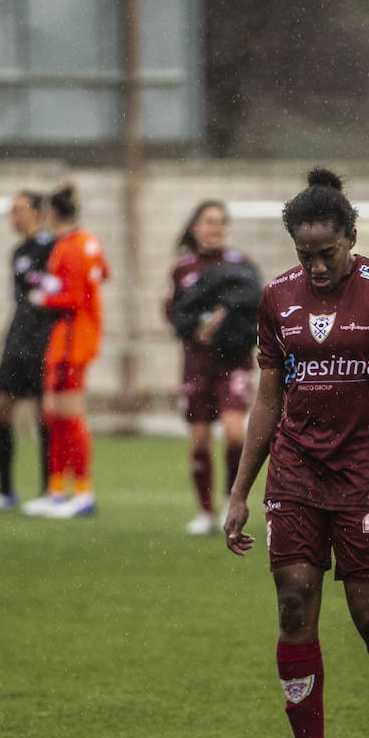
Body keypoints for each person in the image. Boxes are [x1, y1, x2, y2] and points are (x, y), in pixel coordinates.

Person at [224, 168, 369, 738]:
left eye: (327, 253)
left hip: (367, 479)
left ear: (351, 237)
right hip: (295, 473)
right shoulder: (276, 299)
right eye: (304, 255)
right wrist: (240, 490)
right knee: (293, 604)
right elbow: (268, 399)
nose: (315, 267)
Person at [164, 201, 263, 535]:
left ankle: (229, 501)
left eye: (220, 222)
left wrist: (228, 322)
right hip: (196, 363)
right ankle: (204, 512)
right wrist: (196, 328)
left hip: (233, 361)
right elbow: (172, 312)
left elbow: (255, 308)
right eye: (209, 222)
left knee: (236, 435)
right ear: (195, 227)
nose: (215, 228)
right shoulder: (182, 269)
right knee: (200, 440)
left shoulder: (242, 265)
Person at [21, 183, 111, 519]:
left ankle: (82, 493)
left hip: (72, 340)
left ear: (51, 214)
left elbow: (75, 298)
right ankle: (57, 490)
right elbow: (102, 274)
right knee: (54, 414)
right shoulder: (87, 241)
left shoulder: (70, 247)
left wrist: (43, 296)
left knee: (68, 415)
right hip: (73, 338)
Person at [0, 191, 59, 516]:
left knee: (42, 414)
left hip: (44, 338)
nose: (13, 219)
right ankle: (5, 492)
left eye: (19, 211)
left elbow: (57, 291)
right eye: (11, 212)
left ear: (39, 211)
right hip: (17, 337)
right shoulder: (17, 251)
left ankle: (51, 491)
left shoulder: (55, 247)